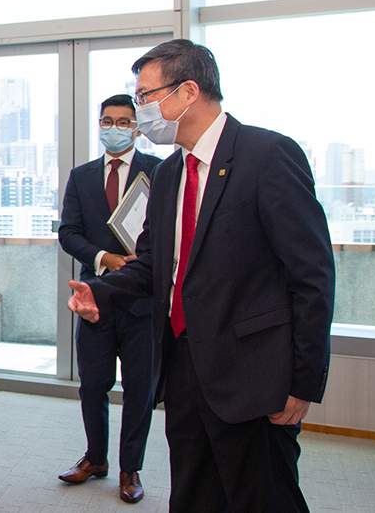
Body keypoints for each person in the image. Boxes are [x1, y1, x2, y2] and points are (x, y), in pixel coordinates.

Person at [68, 40, 335, 512]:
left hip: (253, 376)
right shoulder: (171, 173)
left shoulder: (267, 155)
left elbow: (312, 276)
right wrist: (100, 292)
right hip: (183, 369)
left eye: (146, 97)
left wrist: (303, 382)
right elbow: (154, 263)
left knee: (263, 499)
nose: (140, 110)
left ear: (188, 91)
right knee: (193, 497)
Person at [56, 94, 160, 504]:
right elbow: (68, 232)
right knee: (93, 385)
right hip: (94, 299)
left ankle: (129, 469)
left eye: (122, 121)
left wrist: (138, 262)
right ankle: (95, 458)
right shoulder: (81, 176)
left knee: (139, 389)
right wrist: (105, 259)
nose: (113, 128)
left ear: (136, 127)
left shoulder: (160, 171)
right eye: (106, 121)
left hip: (143, 303)